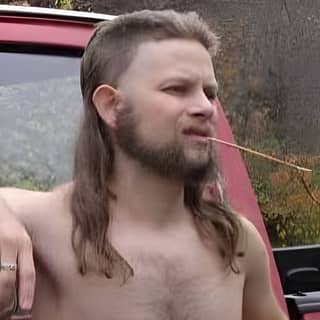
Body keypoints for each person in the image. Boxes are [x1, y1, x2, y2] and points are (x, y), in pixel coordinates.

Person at [0, 9, 287, 320]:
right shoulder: (42, 227)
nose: (207, 108)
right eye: (177, 89)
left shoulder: (237, 242)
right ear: (111, 106)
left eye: (210, 93)